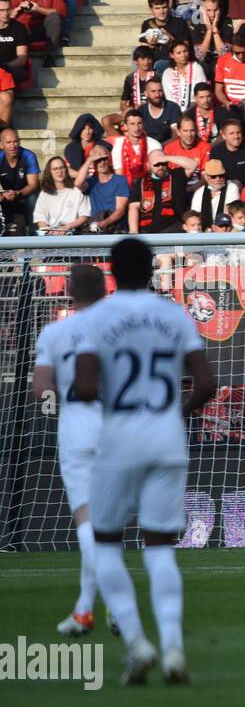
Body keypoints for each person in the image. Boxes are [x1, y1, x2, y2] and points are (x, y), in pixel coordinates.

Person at [72, 238, 216, 683]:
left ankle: (137, 643)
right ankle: (173, 648)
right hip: (167, 439)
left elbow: (86, 385)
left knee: (106, 542)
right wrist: (177, 410)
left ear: (112, 272)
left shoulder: (97, 317)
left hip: (120, 439)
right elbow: (207, 382)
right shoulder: (174, 314)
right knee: (160, 550)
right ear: (153, 271)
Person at [33, 265, 107, 636]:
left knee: (87, 518)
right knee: (111, 523)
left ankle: (91, 608)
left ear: (69, 292)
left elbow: (42, 388)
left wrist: (54, 408)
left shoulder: (55, 331)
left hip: (78, 424)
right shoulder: (118, 327)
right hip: (119, 423)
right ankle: (95, 607)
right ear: (105, 290)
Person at [32, 156, 89, 235]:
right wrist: (48, 231)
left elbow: (84, 215)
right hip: (51, 236)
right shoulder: (44, 194)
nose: (59, 171)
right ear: (49, 172)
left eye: (62, 168)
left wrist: (68, 227)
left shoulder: (77, 191)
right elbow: (40, 217)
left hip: (72, 234)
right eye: (55, 169)